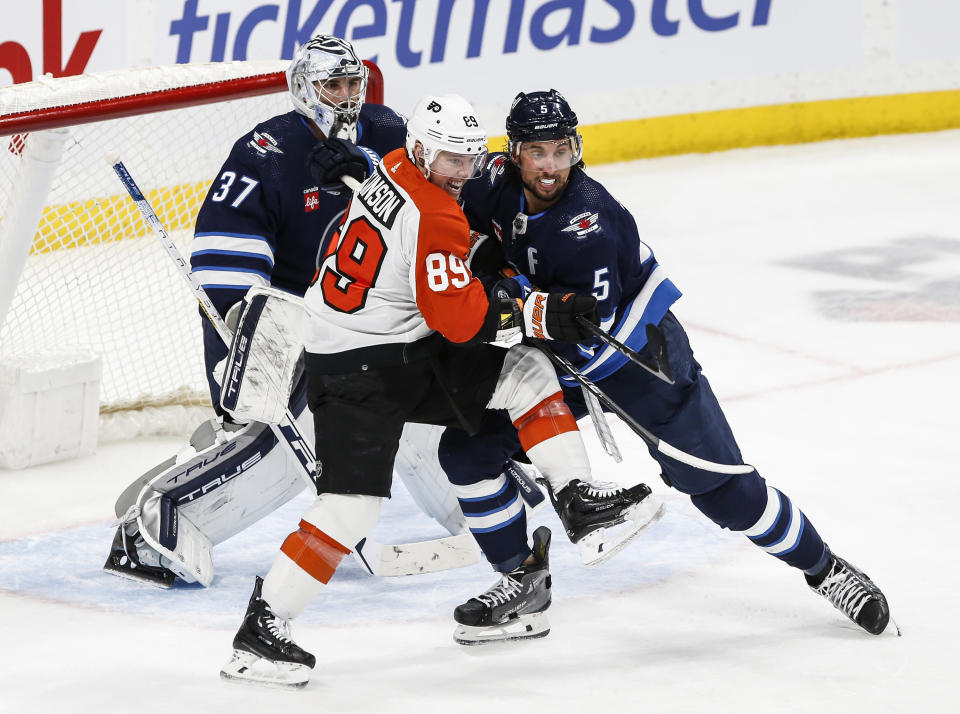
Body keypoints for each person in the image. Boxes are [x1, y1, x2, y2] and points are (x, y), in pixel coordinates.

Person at [219, 93, 660, 689]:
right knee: (352, 508)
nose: (462, 172)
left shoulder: (391, 167)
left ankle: (579, 501)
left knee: (523, 373)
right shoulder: (438, 214)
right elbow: (461, 321)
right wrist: (534, 310)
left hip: (367, 346)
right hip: (364, 369)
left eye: (471, 160)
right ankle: (262, 630)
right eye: (451, 159)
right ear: (423, 149)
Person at [456, 89, 892, 638]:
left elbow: (573, 333)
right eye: (538, 152)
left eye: (561, 151)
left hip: (637, 359)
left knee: (727, 497)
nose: (550, 167)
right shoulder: (491, 180)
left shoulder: (585, 223)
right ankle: (523, 581)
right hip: (559, 354)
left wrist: (497, 282)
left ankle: (825, 569)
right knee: (469, 447)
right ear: (513, 152)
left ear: (576, 151)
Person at [102, 34, 460, 588]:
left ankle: (475, 508)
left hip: (382, 319)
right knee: (306, 434)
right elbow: (226, 261)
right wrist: (254, 350)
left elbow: (445, 203)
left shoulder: (390, 134)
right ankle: (157, 524)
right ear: (303, 88)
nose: (345, 98)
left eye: (352, 85)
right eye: (331, 85)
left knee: (420, 408)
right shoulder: (264, 152)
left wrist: (367, 168)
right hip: (296, 327)